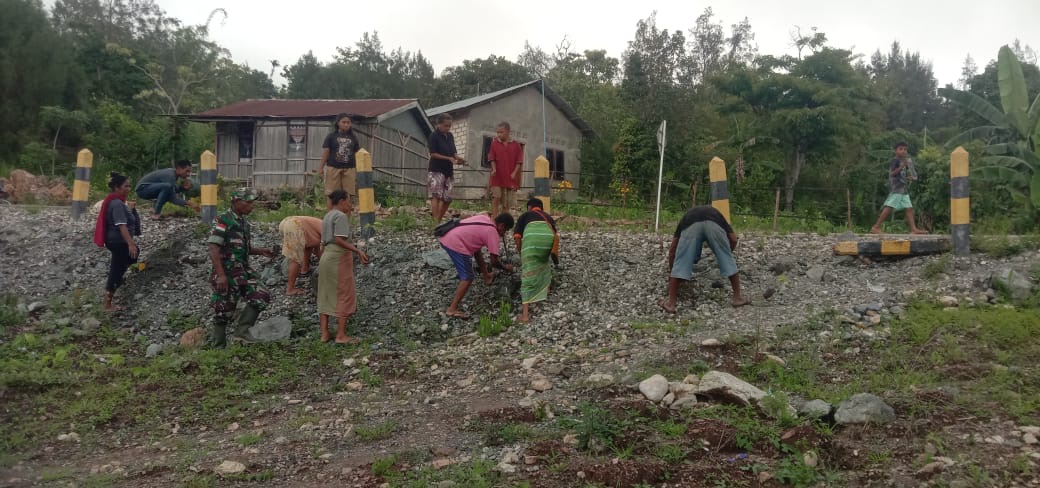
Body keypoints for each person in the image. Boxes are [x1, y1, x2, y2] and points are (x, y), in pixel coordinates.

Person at [206, 188, 274, 347]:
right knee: (224, 309)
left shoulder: (244, 223)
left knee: (261, 294)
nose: (252, 206)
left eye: (252, 202)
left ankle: (242, 332)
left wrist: (262, 251)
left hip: (243, 271)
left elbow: (242, 248)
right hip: (226, 272)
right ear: (236, 202)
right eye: (248, 202)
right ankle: (218, 348)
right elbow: (213, 247)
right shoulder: (223, 220)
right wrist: (221, 275)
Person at [659, 205, 749, 313]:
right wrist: (726, 253)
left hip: (691, 225)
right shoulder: (718, 215)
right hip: (714, 223)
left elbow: (673, 249)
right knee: (727, 258)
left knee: (682, 261)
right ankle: (737, 298)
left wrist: (672, 270)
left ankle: (671, 303)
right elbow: (734, 239)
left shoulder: (685, 218)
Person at [438, 213, 515, 318]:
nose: (504, 233)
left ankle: (487, 276)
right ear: (501, 225)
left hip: (447, 235)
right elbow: (494, 262)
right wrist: (506, 268)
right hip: (454, 243)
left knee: (476, 252)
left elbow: (476, 251)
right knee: (468, 277)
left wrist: (486, 274)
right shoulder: (492, 232)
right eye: (505, 230)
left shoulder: (484, 218)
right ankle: (452, 309)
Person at [318, 190, 370, 344]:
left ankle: (324, 334)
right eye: (349, 201)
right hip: (338, 258)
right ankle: (341, 335)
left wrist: (322, 258)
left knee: (325, 293)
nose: (350, 205)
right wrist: (358, 250)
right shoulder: (340, 216)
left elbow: (322, 242)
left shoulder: (328, 215)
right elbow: (339, 240)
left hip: (326, 257)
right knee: (345, 293)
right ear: (341, 201)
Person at [93, 172, 141, 312]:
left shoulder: (118, 202)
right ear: (117, 188)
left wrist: (131, 210)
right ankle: (108, 303)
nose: (128, 188)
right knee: (117, 268)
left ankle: (118, 280)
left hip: (116, 240)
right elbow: (121, 225)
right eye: (126, 186)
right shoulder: (117, 204)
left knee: (131, 256)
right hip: (118, 241)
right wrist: (130, 243)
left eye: (129, 186)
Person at [513, 198, 560, 323]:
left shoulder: (525, 215)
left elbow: (517, 237)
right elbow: (554, 233)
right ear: (541, 208)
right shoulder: (547, 217)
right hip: (548, 240)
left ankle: (525, 315)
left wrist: (521, 252)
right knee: (544, 264)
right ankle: (543, 291)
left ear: (529, 207)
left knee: (527, 273)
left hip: (533, 240)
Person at [871, 141, 927, 235]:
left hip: (903, 188)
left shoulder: (904, 161)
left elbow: (901, 175)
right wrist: (902, 166)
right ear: (895, 151)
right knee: (889, 206)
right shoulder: (895, 161)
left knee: (909, 208)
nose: (903, 151)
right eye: (901, 149)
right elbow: (892, 174)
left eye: (905, 149)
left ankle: (913, 229)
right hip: (897, 188)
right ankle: (876, 227)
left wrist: (909, 177)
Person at [427, 114, 465, 223]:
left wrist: (458, 158)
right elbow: (433, 154)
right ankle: (435, 222)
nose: (447, 128)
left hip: (448, 170)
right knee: (436, 196)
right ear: (438, 124)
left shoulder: (450, 136)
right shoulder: (433, 136)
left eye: (449, 126)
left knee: (447, 199)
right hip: (436, 169)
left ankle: (438, 219)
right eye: (445, 126)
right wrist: (448, 158)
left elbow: (453, 152)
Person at [318, 113, 362, 204]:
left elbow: (357, 152)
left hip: (349, 169)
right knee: (331, 193)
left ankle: (346, 216)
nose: (346, 124)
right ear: (338, 123)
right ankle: (331, 215)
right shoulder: (331, 136)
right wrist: (321, 168)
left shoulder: (353, 138)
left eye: (348, 122)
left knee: (348, 194)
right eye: (344, 122)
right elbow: (326, 151)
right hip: (333, 168)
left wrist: (360, 168)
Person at [135, 159, 200, 220]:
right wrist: (189, 203)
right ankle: (156, 214)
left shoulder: (173, 175)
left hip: (147, 189)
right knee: (167, 187)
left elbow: (173, 190)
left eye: (189, 172)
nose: (188, 174)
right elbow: (173, 199)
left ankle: (154, 209)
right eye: (187, 171)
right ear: (179, 169)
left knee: (167, 189)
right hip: (142, 189)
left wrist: (183, 188)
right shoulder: (170, 175)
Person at [278, 216, 323, 296]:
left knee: (308, 245)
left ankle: (304, 269)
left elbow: (316, 248)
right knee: (295, 258)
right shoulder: (328, 230)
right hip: (294, 225)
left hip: (289, 222)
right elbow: (320, 252)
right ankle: (290, 289)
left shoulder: (321, 226)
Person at [487, 121, 524, 216]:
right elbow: (492, 158)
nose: (499, 134)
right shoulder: (494, 143)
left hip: (510, 178)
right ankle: (494, 219)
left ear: (508, 132)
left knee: (506, 202)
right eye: (498, 132)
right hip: (497, 177)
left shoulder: (516, 145)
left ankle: (503, 222)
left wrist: (514, 173)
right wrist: (494, 169)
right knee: (496, 197)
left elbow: (519, 162)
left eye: (501, 132)